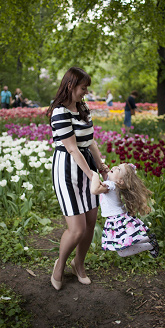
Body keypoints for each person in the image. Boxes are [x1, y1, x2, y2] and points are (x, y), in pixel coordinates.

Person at [46, 67, 109, 290]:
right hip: (67, 172)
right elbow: (72, 149)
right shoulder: (59, 112)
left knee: (90, 223)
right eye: (84, 88)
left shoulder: (83, 108)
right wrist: (92, 174)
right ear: (71, 85)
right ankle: (60, 265)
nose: (86, 93)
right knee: (77, 229)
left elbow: (90, 142)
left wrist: (100, 167)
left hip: (88, 169)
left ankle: (78, 264)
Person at [91, 163, 159, 258]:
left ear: (121, 181)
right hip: (116, 219)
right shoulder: (112, 183)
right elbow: (106, 177)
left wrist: (94, 174)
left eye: (118, 169)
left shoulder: (111, 185)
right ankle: (150, 242)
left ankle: (149, 243)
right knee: (123, 250)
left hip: (117, 220)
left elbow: (94, 190)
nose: (114, 167)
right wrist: (104, 170)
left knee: (122, 251)